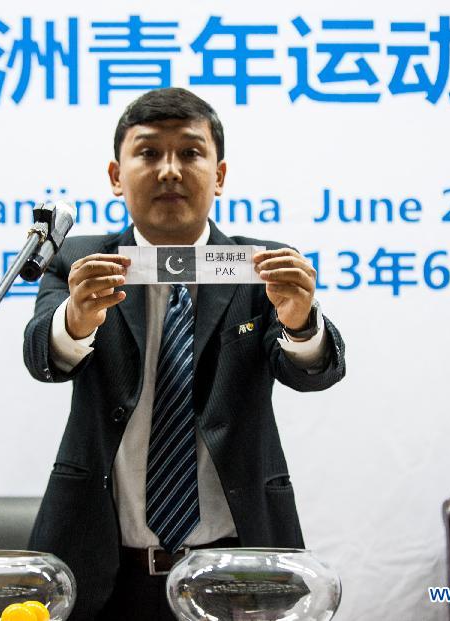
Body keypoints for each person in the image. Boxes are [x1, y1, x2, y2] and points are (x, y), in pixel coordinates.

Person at [23, 87, 346, 621]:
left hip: (237, 562)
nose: (170, 170)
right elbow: (42, 358)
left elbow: (313, 370)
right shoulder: (79, 260)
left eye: (191, 152)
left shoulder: (259, 266)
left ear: (219, 175)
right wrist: (76, 321)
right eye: (148, 153)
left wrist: (299, 321)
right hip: (102, 565)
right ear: (115, 175)